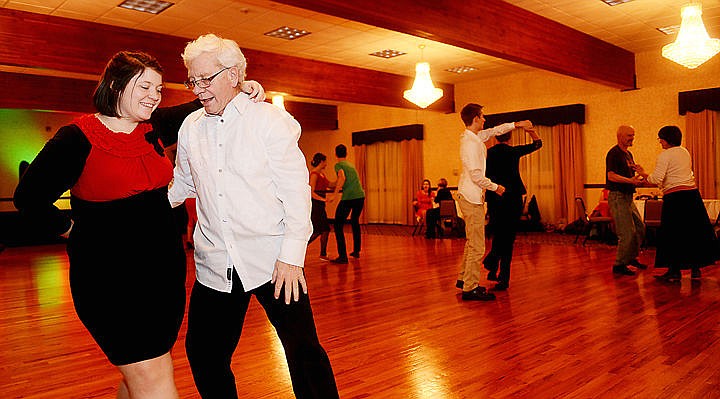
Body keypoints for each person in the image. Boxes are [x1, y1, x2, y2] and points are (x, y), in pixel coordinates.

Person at [12, 50, 264, 399]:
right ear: (115, 85)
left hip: (162, 282)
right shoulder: (76, 138)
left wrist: (242, 87)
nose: (154, 96)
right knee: (154, 379)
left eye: (159, 89)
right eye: (145, 86)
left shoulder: (155, 126)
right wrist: (72, 230)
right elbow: (28, 198)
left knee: (142, 376)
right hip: (111, 284)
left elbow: (201, 104)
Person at [168, 34, 339, 399]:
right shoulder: (190, 128)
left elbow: (296, 194)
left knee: (304, 353)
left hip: (273, 262)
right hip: (215, 263)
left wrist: (292, 258)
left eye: (205, 79)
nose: (197, 89)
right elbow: (182, 183)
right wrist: (133, 211)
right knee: (204, 356)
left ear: (234, 76)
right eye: (191, 80)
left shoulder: (270, 121)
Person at [455, 103, 533, 301]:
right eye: (482, 117)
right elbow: (475, 175)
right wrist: (496, 187)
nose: (484, 119)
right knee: (477, 246)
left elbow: (495, 131)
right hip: (471, 197)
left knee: (473, 242)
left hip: (472, 196)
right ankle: (470, 289)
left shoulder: (475, 137)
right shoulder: (470, 143)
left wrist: (517, 124)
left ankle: (464, 280)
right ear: (475, 119)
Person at [635, 125, 718, 281]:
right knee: (693, 233)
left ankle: (674, 271)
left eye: (660, 138)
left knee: (672, 234)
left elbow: (657, 179)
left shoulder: (664, 155)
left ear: (666, 139)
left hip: (675, 198)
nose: (660, 141)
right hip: (692, 195)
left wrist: (643, 174)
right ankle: (695, 269)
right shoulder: (684, 152)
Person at [483, 128, 542, 291]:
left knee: (499, 233)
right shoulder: (513, 151)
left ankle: (493, 265)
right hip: (512, 197)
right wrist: (531, 131)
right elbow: (538, 144)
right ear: (509, 137)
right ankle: (502, 276)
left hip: (494, 196)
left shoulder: (488, 153)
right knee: (508, 237)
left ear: (496, 137)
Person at [605, 125, 646, 276]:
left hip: (628, 197)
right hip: (618, 196)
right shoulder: (614, 153)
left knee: (640, 228)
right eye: (629, 135)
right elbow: (611, 176)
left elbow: (628, 176)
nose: (632, 138)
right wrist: (631, 181)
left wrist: (637, 172)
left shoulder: (628, 154)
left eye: (633, 136)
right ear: (620, 136)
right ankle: (619, 264)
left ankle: (631, 258)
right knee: (627, 232)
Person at [330, 143, 366, 264]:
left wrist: (335, 194)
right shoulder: (350, 165)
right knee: (355, 221)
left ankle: (343, 257)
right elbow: (342, 180)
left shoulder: (338, 165)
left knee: (337, 225)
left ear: (335, 154)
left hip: (349, 197)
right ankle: (356, 251)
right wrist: (332, 184)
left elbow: (342, 178)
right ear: (347, 153)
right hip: (360, 196)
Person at [308, 152, 332, 259]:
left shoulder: (322, 174)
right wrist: (324, 199)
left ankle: (323, 254)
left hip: (321, 205)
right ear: (322, 162)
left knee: (323, 230)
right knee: (320, 230)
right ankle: (300, 249)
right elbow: (311, 192)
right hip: (316, 205)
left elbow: (330, 185)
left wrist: (341, 179)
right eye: (325, 161)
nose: (326, 164)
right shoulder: (314, 174)